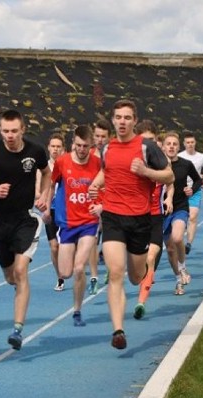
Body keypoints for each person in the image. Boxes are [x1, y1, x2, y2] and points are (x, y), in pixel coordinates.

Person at [88, 99, 174, 350]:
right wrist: (96, 184)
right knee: (115, 272)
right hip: (113, 217)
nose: (122, 122)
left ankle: (144, 270)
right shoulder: (107, 149)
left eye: (127, 117)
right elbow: (108, 170)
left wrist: (147, 173)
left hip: (139, 219)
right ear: (113, 120)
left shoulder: (146, 147)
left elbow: (168, 175)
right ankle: (118, 330)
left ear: (134, 121)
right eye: (118, 117)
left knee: (135, 277)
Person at [0, 109, 52, 350]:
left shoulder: (35, 152)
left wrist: (45, 195)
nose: (10, 135)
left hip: (25, 220)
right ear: (0, 130)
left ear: (23, 130)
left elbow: (47, 173)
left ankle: (17, 330)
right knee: (10, 277)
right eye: (5, 131)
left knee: (20, 271)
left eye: (14, 131)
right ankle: (20, 289)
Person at [51, 125, 102, 326]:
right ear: (73, 142)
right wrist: (46, 207)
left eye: (86, 147)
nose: (82, 150)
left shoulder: (98, 163)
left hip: (89, 221)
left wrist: (101, 205)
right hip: (67, 223)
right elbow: (51, 182)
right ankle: (74, 285)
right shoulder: (62, 162)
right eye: (79, 145)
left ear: (91, 146)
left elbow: (108, 185)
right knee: (65, 272)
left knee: (79, 267)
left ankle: (77, 311)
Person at [162, 132, 203, 295]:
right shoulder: (157, 166)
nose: (171, 146)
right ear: (163, 147)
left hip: (180, 206)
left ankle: (183, 267)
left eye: (174, 144)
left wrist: (191, 190)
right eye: (168, 144)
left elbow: (198, 180)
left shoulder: (185, 164)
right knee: (170, 249)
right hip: (163, 211)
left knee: (178, 237)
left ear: (178, 148)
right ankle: (178, 279)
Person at [132, 120, 164, 319]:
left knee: (150, 258)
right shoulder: (132, 161)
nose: (149, 145)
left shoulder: (161, 162)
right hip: (135, 217)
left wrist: (169, 197)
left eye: (152, 140)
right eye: (145, 141)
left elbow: (170, 180)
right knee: (135, 264)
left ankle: (141, 303)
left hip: (155, 217)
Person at [87, 118, 112, 294]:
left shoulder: (113, 155)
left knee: (110, 241)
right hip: (92, 202)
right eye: (97, 136)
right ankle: (94, 277)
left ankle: (111, 268)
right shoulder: (88, 155)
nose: (100, 139)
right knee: (92, 241)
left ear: (109, 137)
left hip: (110, 202)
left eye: (103, 136)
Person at [178, 132, 203, 254]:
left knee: (193, 216)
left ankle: (188, 243)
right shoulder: (179, 156)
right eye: (188, 142)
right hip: (181, 190)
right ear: (184, 144)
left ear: (195, 143)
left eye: (192, 142)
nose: (190, 144)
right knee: (183, 217)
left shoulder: (202, 157)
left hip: (194, 190)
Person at [44, 132, 66, 292]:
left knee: (68, 245)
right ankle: (60, 278)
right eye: (53, 146)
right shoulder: (43, 168)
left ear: (63, 149)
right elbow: (37, 189)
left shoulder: (67, 165)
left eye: (58, 146)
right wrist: (41, 202)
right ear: (48, 148)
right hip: (49, 210)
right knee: (54, 247)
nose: (55, 149)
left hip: (66, 210)